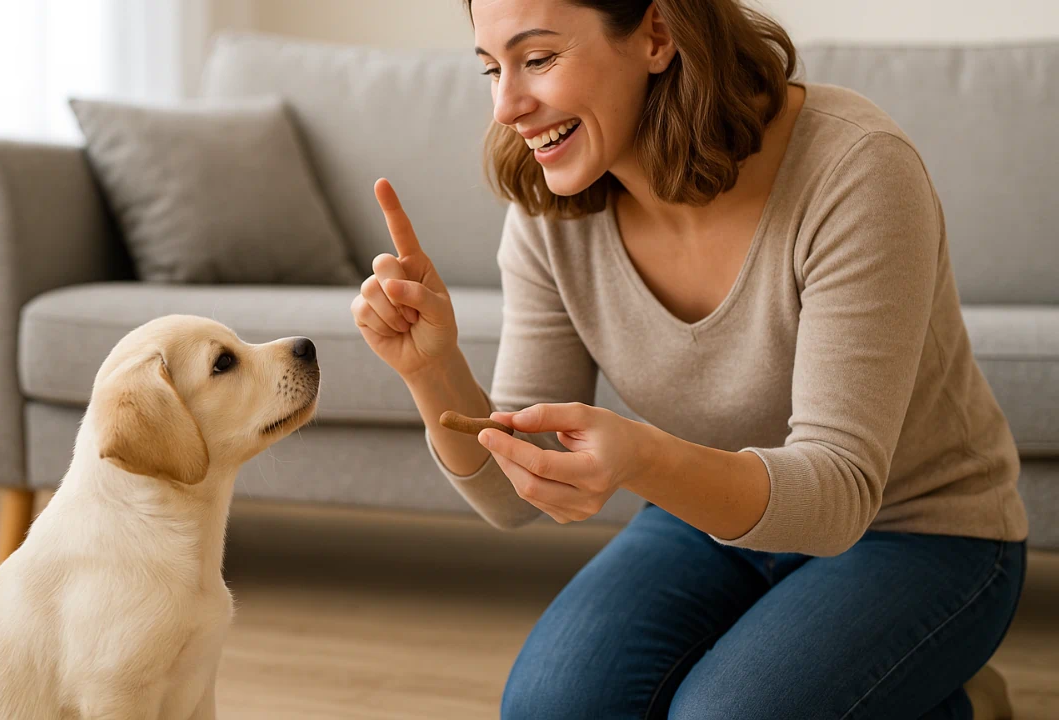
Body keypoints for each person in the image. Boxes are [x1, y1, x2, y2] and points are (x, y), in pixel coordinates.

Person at [350, 1, 1029, 718]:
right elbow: (514, 492)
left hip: (916, 529)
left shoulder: (854, 168)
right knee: (549, 710)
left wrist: (643, 459)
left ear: (656, 35)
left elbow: (836, 499)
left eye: (539, 59)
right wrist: (430, 367)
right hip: (707, 515)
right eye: (493, 68)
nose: (508, 106)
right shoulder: (554, 206)